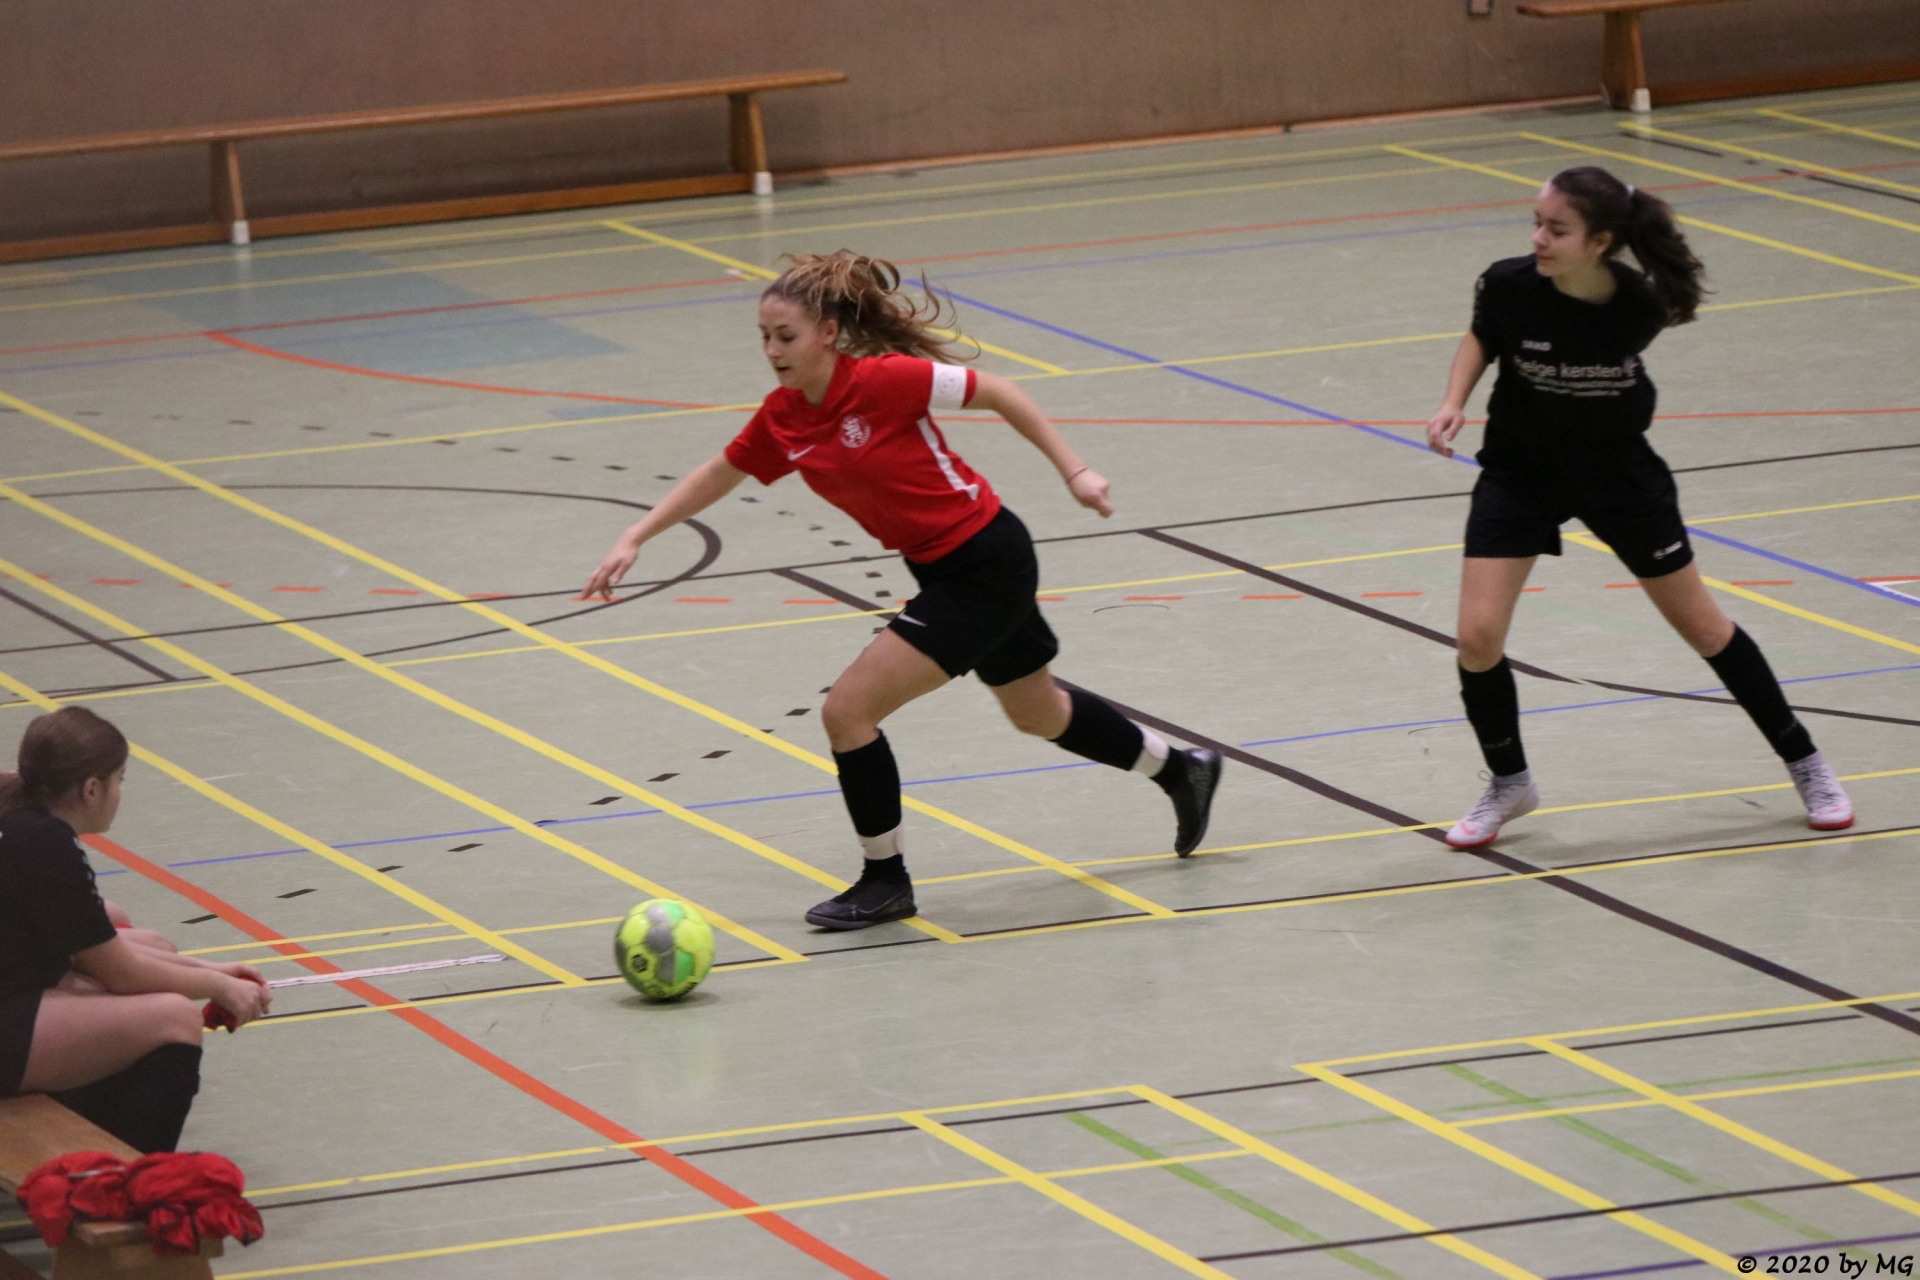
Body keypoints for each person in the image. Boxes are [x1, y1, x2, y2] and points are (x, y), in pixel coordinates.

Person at [583, 252, 1221, 929]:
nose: (772, 350)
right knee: (1038, 712)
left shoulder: (887, 380)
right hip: (940, 568)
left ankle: (885, 880)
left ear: (829, 333)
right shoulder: (784, 417)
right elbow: (719, 473)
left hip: (985, 560)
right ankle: (1182, 770)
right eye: (764, 337)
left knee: (847, 712)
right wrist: (637, 534)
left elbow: (1000, 392)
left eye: (786, 336)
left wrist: (1076, 471)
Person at [1425, 166, 1853, 849]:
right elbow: (1483, 335)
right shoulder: (1507, 284)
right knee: (1477, 638)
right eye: (1536, 224)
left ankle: (1807, 763)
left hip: (1617, 475)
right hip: (1521, 470)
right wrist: (1454, 402)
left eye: (1557, 229)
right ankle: (1510, 782)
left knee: (1704, 628)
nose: (1538, 239)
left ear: (1600, 243)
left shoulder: (1640, 305)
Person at [0, 707, 270, 1153]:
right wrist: (219, 987)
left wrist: (213, 970)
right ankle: (126, 1176)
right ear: (91, 789)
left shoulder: (17, 809)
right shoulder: (46, 847)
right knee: (174, 1018)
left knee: (148, 942)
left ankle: (84, 1134)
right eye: (119, 780)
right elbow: (121, 973)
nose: (120, 793)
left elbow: (101, 952)